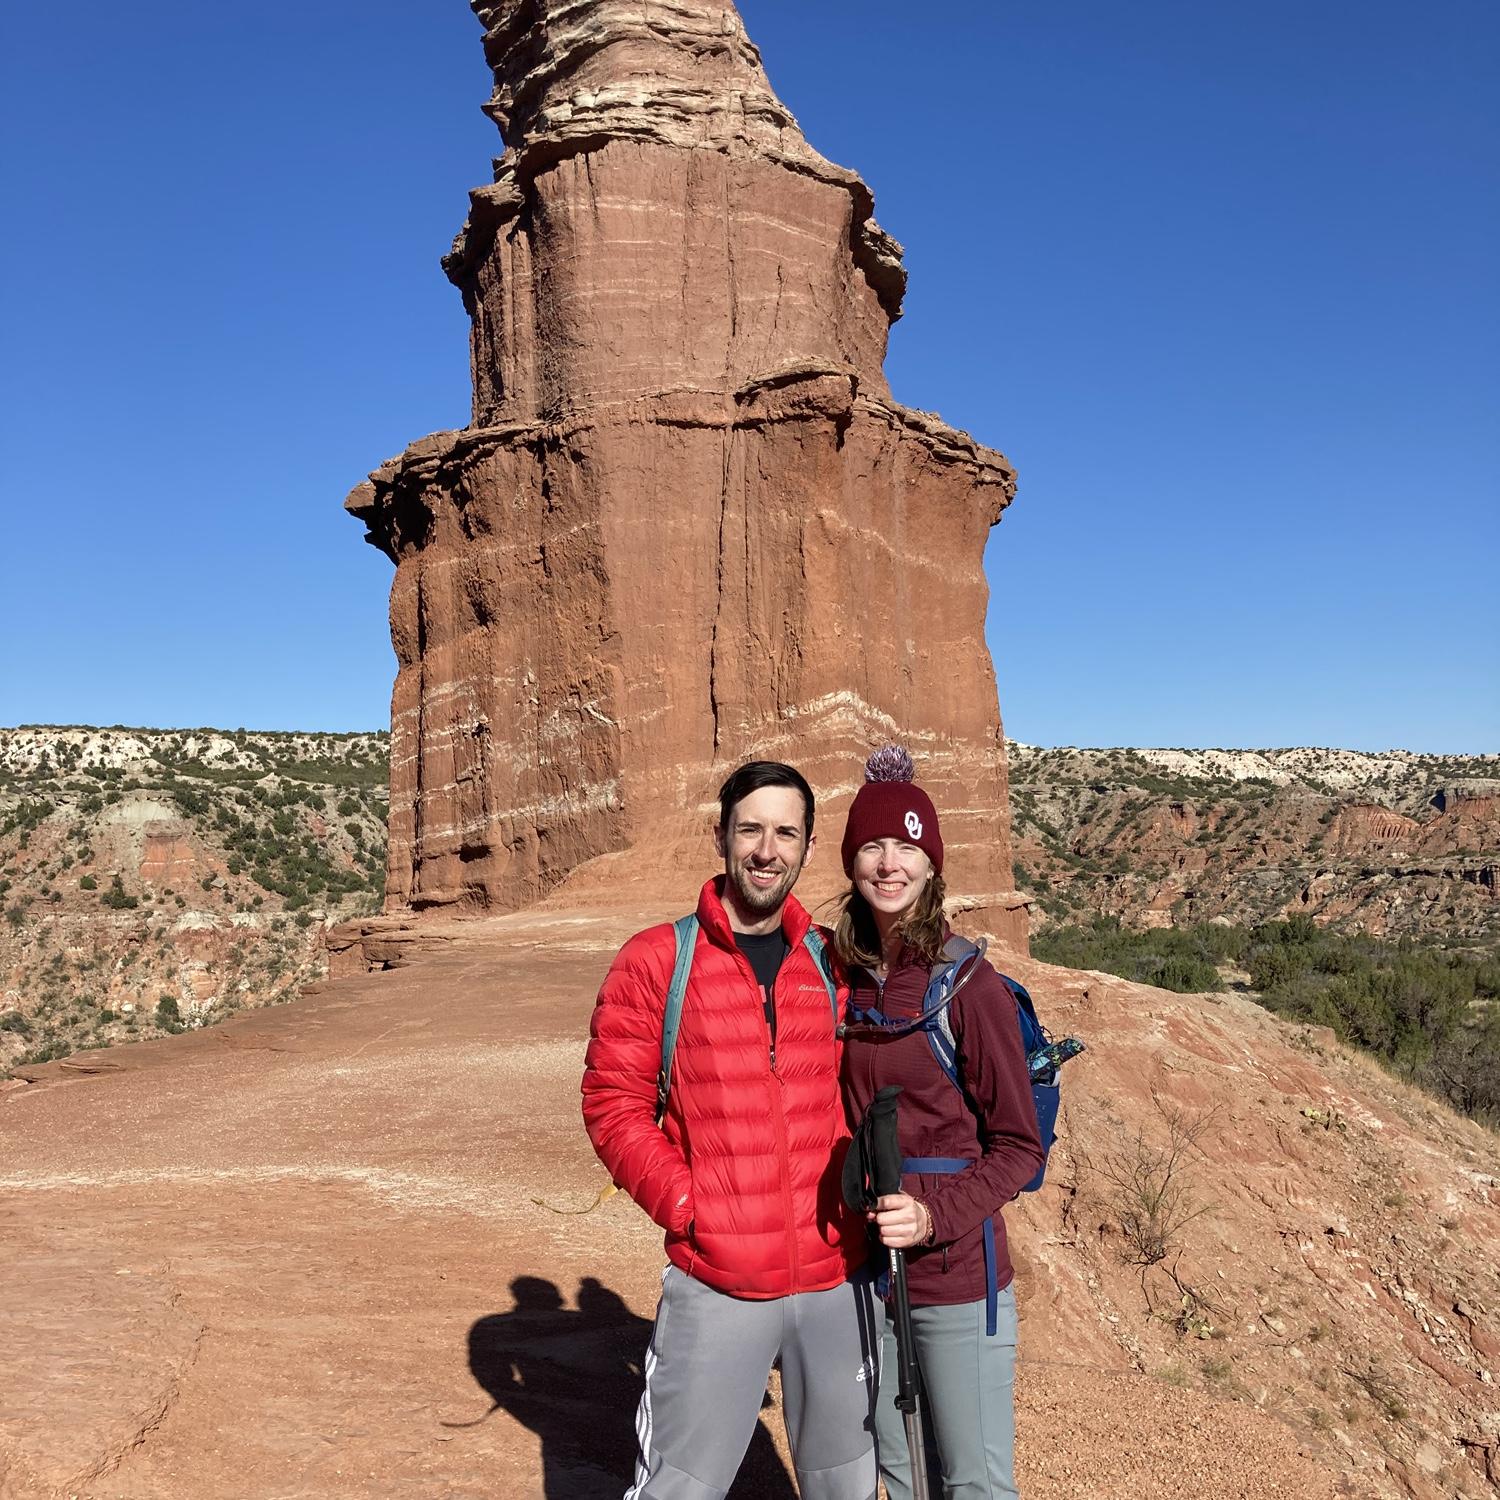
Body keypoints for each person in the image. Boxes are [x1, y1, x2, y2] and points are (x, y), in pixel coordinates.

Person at [582, 761, 879, 1500]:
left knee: (846, 1483)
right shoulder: (658, 959)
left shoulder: (832, 963)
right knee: (679, 1486)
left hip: (835, 1278)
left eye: (785, 832)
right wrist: (689, 1208)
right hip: (716, 1282)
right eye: (750, 829)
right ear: (721, 836)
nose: (766, 850)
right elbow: (612, 1103)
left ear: (808, 847)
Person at [834, 746, 1045, 1500]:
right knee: (897, 1472)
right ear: (851, 860)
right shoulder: (839, 977)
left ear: (931, 865)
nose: (889, 863)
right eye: (871, 846)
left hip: (957, 1277)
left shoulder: (970, 986)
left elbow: (1018, 1147)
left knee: (974, 1484)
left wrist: (932, 1217)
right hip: (865, 1273)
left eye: (907, 847)